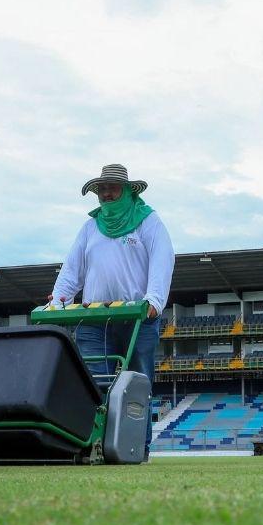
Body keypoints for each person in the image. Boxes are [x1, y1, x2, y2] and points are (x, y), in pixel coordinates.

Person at [50, 164, 174, 459]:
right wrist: (58, 300)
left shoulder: (149, 222)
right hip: (95, 320)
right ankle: (95, 446)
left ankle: (135, 449)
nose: (106, 193)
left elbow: (162, 261)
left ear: (129, 191)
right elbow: (72, 270)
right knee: (96, 383)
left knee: (136, 384)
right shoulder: (90, 228)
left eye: (112, 188)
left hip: (138, 318)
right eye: (101, 189)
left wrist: (154, 302)